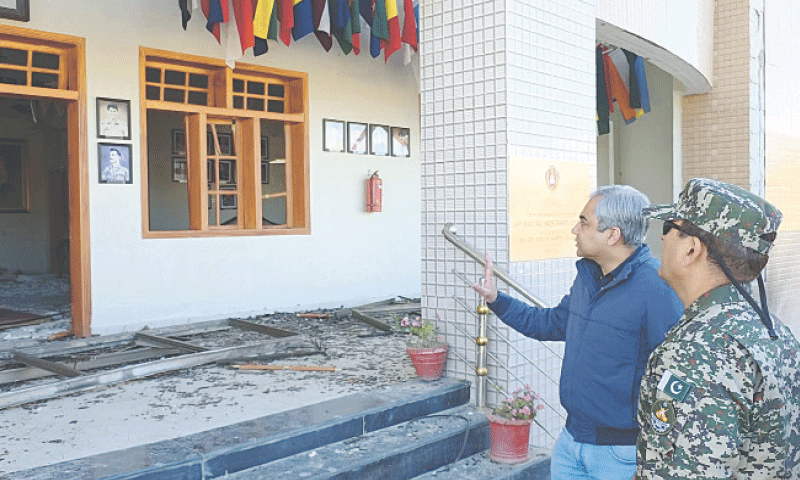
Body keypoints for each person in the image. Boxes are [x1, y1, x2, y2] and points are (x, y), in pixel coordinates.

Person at [473, 185, 683, 480]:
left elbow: (675, 377)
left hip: (619, 456)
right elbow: (549, 323)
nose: (575, 229)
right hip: (571, 442)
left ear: (612, 235)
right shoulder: (588, 278)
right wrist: (497, 300)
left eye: (584, 222)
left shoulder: (657, 288)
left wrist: (657, 457)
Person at [635, 178, 800, 480]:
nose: (662, 239)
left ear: (691, 249)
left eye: (668, 228)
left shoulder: (696, 351)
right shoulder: (772, 330)